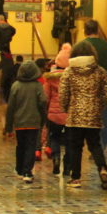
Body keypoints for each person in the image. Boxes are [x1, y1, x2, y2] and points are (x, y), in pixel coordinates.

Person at [59, 40, 107, 190]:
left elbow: (63, 94)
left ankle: (76, 178)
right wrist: (99, 108)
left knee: (76, 147)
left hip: (75, 115)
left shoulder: (69, 71)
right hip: (93, 115)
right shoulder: (100, 71)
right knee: (95, 145)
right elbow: (104, 94)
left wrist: (66, 108)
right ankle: (102, 168)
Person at [3, 60, 47, 184]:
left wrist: (8, 126)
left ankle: (19, 169)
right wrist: (43, 117)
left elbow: (11, 107)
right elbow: (43, 101)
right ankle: (27, 172)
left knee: (20, 146)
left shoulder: (15, 86)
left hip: (19, 122)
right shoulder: (38, 85)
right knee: (30, 146)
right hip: (33, 121)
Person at [82, 18, 107, 147]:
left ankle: (94, 148)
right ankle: (102, 146)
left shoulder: (82, 46)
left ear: (85, 31)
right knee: (104, 119)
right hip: (106, 86)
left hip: (88, 87)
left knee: (90, 120)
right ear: (97, 30)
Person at [44, 44, 71, 176]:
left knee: (54, 137)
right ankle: (67, 166)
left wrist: (46, 110)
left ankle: (55, 157)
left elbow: (45, 97)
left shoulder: (50, 78)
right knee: (69, 140)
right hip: (69, 115)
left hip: (53, 115)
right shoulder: (73, 77)